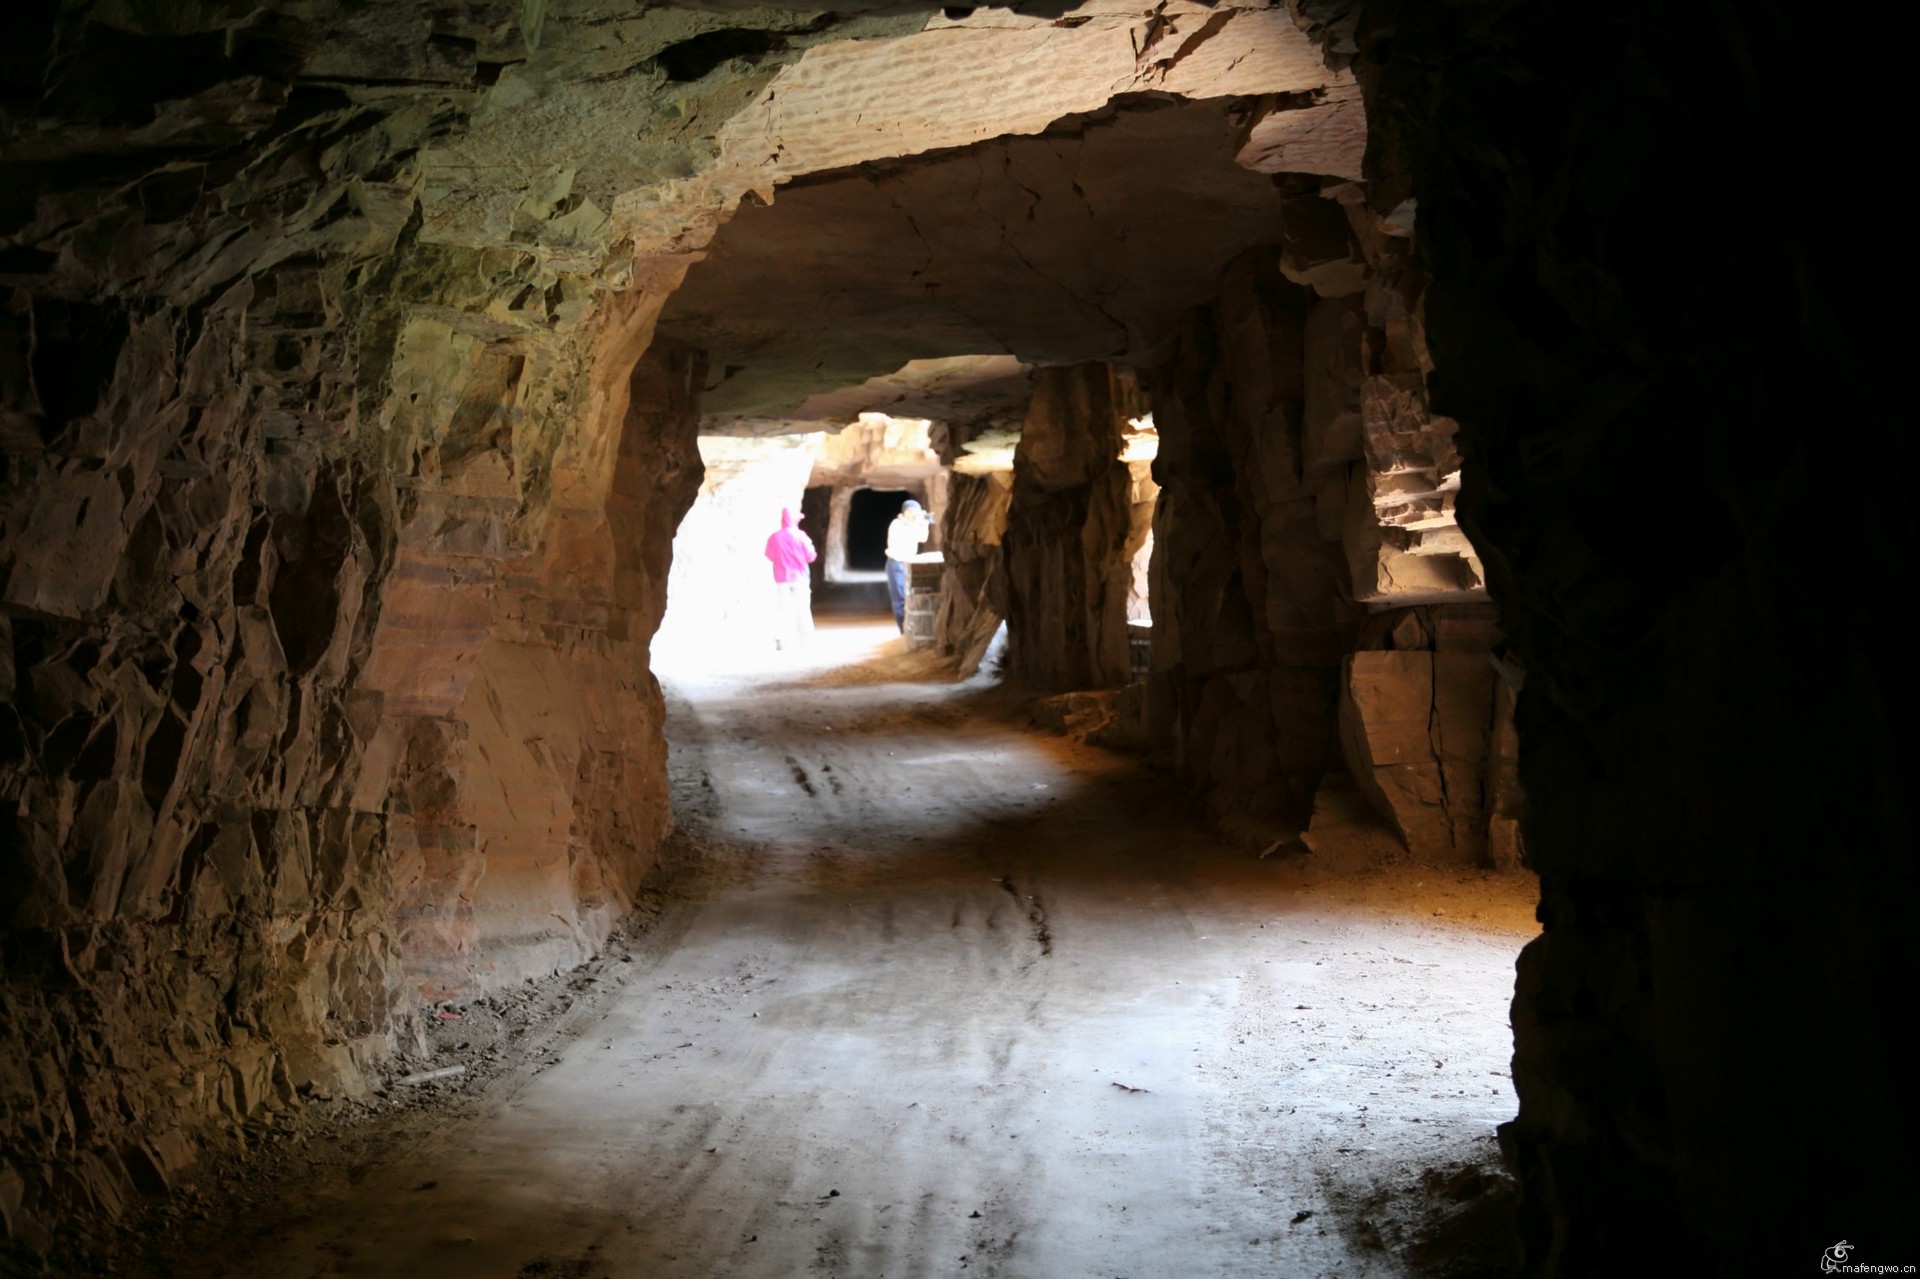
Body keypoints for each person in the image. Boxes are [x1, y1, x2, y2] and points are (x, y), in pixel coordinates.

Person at [763, 507, 817, 650]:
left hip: (782, 579)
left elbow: (769, 555)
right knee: (803, 609)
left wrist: (782, 561)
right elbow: (811, 556)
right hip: (800, 577)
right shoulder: (801, 536)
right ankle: (806, 640)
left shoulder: (774, 537)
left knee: (783, 609)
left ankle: (780, 639)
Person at [883, 499, 933, 633]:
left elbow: (922, 538)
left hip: (908, 563)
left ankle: (911, 628)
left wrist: (925, 524)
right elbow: (910, 535)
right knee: (899, 598)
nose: (915, 516)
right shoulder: (896, 525)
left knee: (909, 596)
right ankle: (903, 631)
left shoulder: (913, 525)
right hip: (896, 564)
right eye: (913, 513)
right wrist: (917, 523)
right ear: (906, 512)